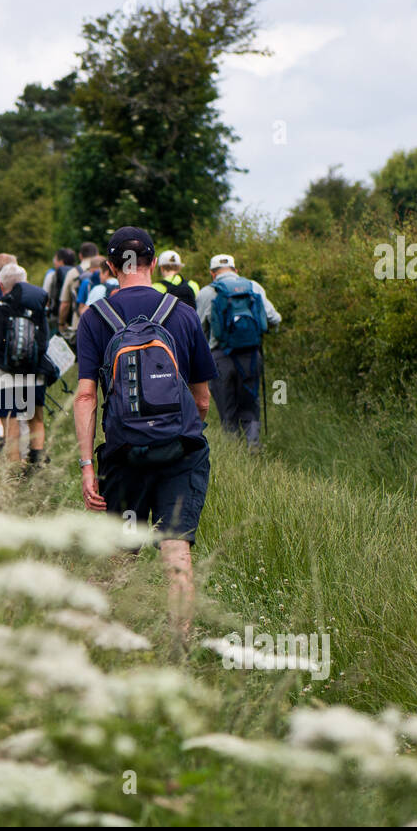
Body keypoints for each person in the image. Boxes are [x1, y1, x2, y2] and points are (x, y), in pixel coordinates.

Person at [74, 227, 216, 642]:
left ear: (111, 267)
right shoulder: (183, 313)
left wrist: (87, 467)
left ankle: (110, 644)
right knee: (176, 552)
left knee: (119, 554)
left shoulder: (95, 319)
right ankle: (180, 646)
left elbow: (86, 397)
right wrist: (185, 432)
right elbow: (203, 399)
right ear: (153, 263)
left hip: (124, 455)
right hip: (179, 452)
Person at [193, 254, 281, 452]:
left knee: (227, 407)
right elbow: (274, 318)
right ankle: (253, 445)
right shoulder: (253, 287)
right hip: (251, 356)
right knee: (250, 402)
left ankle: (234, 450)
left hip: (220, 357)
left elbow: (198, 330)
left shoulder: (207, 293)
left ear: (212, 273)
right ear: (235, 270)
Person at [0, 262, 50, 466]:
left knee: (10, 420)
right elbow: (44, 341)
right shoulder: (39, 307)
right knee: (36, 418)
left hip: (4, 372)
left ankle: (14, 469)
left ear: (3, 286)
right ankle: (36, 463)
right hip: (33, 371)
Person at [58, 241, 97, 336]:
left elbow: (65, 303)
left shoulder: (72, 273)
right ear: (97, 255)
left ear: (80, 256)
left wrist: (61, 323)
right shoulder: (103, 269)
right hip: (100, 324)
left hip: (78, 324)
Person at [43, 248, 79, 332]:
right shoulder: (78, 274)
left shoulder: (52, 275)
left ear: (61, 261)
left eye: (55, 259)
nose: (54, 261)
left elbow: (46, 299)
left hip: (56, 318)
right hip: (73, 319)